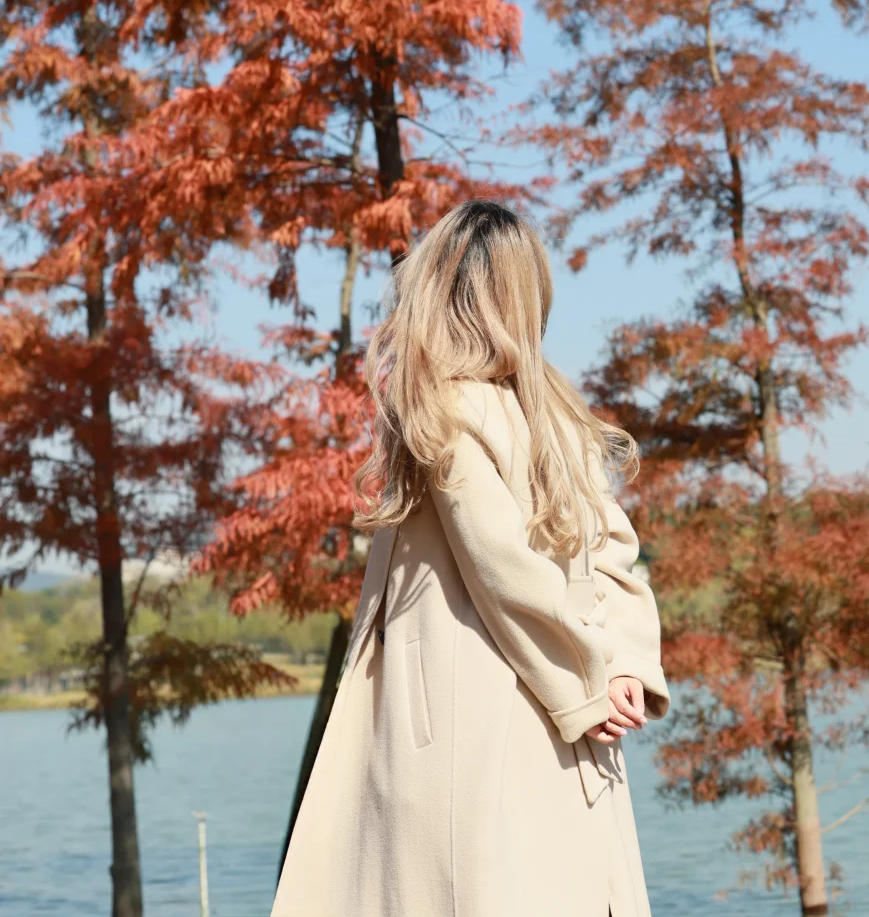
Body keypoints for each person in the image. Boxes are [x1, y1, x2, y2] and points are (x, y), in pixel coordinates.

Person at [272, 199, 669, 917]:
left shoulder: (449, 410)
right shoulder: (537, 412)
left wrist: (601, 675)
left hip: (493, 723)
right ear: (525, 296)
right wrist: (620, 665)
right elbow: (598, 560)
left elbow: (509, 570)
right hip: (557, 714)